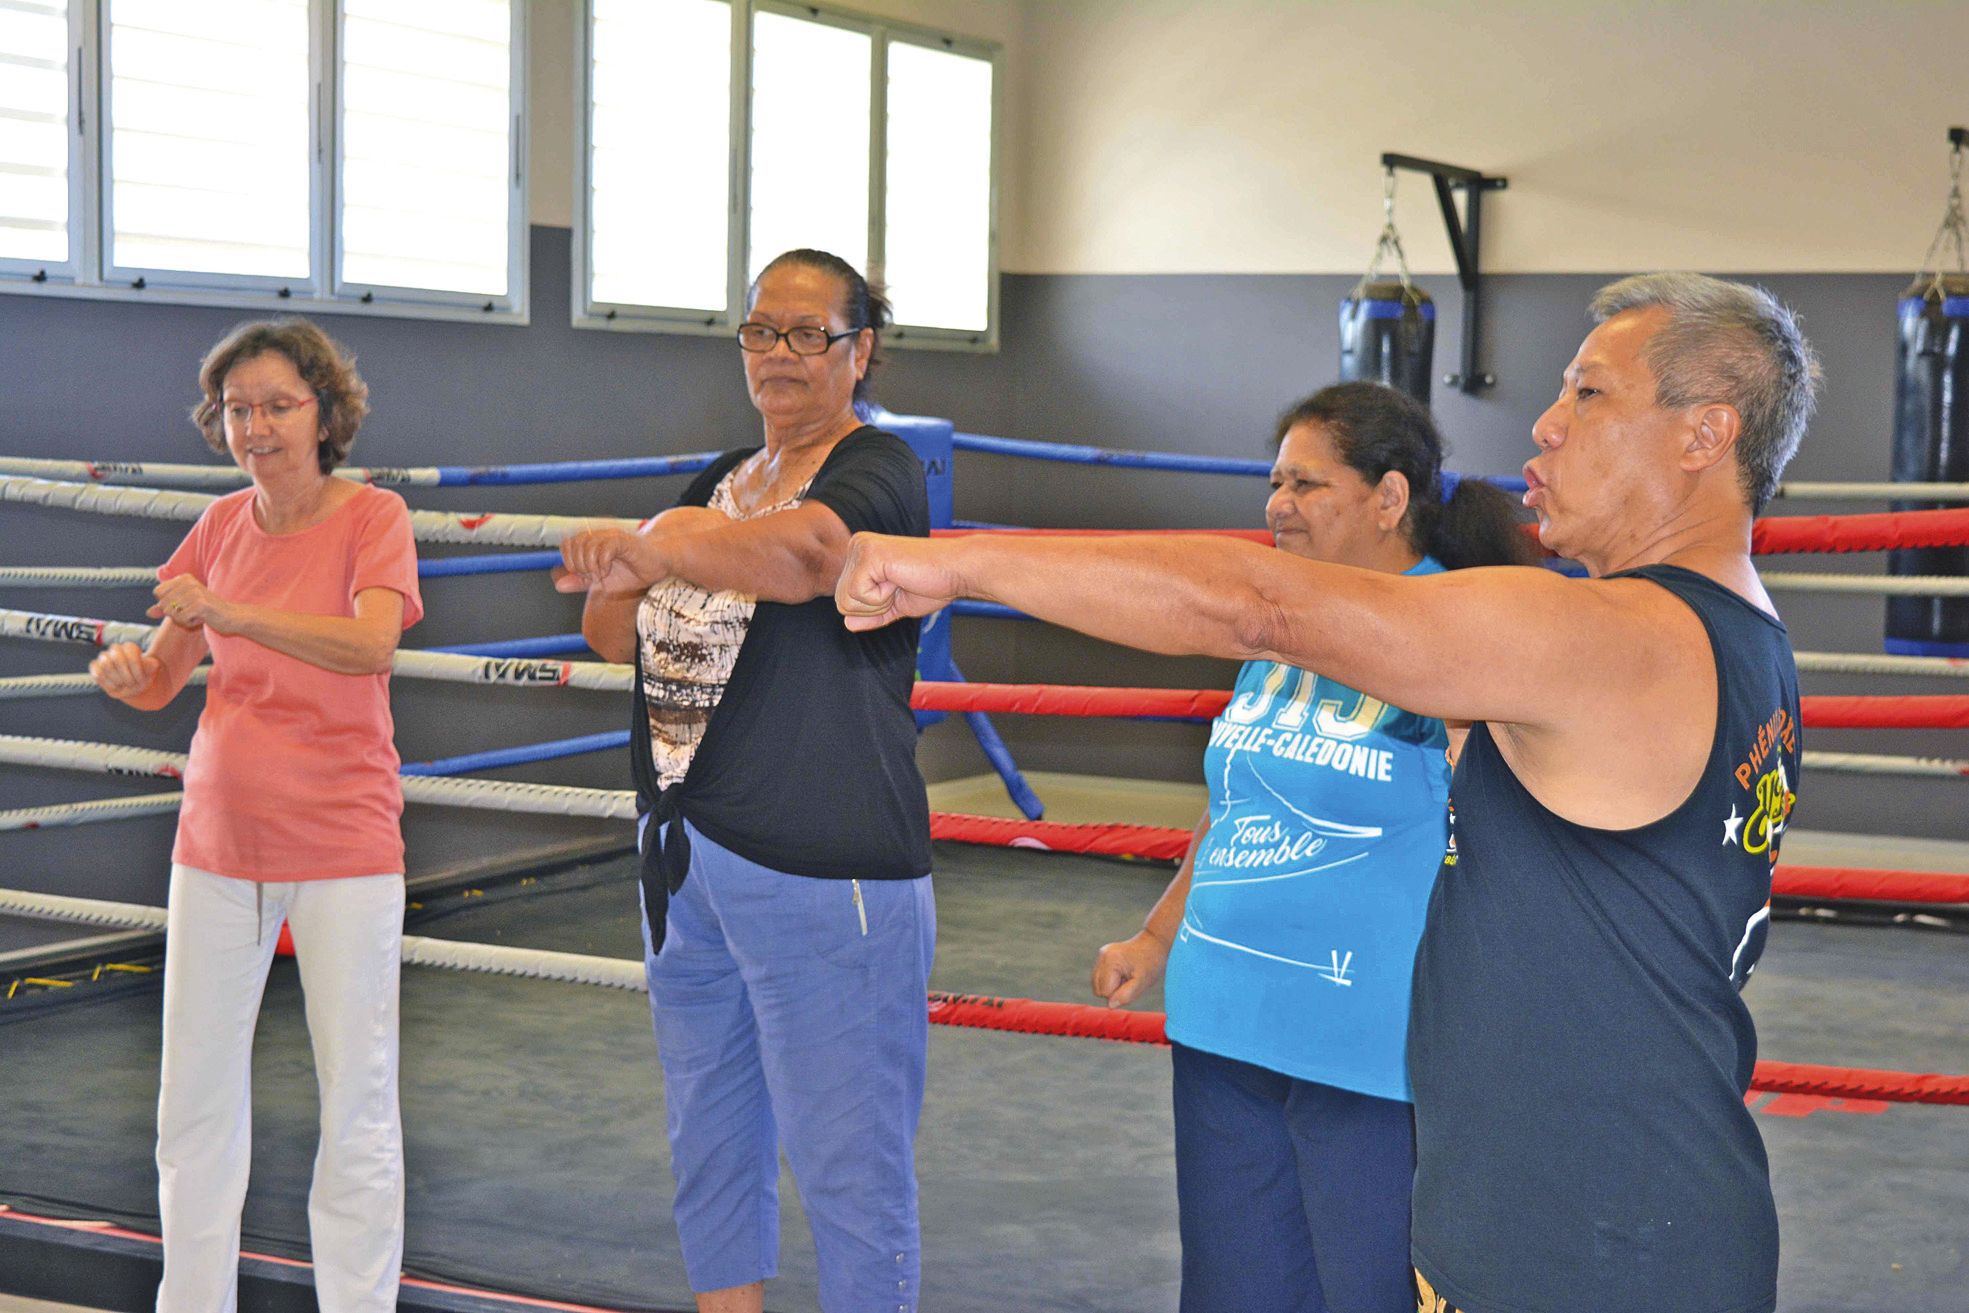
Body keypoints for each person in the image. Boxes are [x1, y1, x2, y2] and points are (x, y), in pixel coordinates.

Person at [836, 273, 1818, 1313]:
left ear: (1703, 433)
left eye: (1589, 394)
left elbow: (1260, 607)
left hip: (1592, 1240)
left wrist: (954, 565)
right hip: (1583, 1207)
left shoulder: (1624, 637)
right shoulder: (1727, 636)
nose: (1547, 420)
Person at [1089, 382, 1538, 1313]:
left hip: (1364, 1043)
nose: (1277, 505)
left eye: (1306, 483)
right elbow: (1233, 802)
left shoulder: (1454, 626)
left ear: (1389, 497)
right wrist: (1156, 936)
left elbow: (1511, 834)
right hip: (1222, 1020)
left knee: (1369, 1292)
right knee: (1233, 1294)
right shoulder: (1278, 627)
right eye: (1274, 482)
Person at [555, 249, 934, 1313]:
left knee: (848, 1164)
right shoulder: (722, 478)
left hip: (824, 867)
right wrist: (650, 552)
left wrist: (662, 542)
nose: (778, 353)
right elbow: (606, 628)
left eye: (807, 334)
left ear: (859, 351)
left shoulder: (878, 468)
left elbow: (813, 558)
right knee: (711, 1134)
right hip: (687, 859)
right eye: (761, 330)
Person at [88, 318, 422, 1313]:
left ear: (326, 412)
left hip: (343, 845)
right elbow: (164, 677)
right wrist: (129, 674)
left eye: (278, 405)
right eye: (239, 410)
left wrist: (233, 614)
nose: (257, 426)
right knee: (190, 1101)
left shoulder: (375, 516)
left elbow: (369, 647)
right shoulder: (221, 528)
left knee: (356, 1099)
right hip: (217, 844)